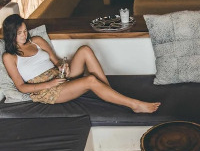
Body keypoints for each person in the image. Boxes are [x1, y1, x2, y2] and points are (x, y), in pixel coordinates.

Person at [2, 14, 160, 113]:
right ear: (11, 34)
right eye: (19, 33)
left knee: (85, 50)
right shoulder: (9, 57)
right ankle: (134, 105)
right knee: (90, 80)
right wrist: (50, 84)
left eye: (25, 31)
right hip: (46, 90)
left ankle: (109, 93)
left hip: (59, 76)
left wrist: (62, 66)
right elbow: (21, 87)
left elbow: (56, 61)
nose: (24, 35)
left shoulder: (36, 41)